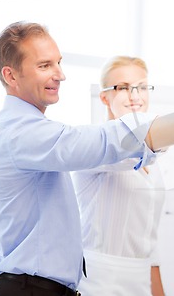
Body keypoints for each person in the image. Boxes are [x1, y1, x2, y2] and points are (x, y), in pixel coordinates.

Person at [0, 21, 174, 296]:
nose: (60, 74)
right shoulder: (21, 134)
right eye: (44, 65)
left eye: (59, 62)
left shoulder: (28, 131)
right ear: (11, 76)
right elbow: (107, 142)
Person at [71, 56, 166, 295]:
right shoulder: (93, 146)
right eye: (123, 88)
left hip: (141, 280)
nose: (135, 95)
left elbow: (149, 243)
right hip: (99, 281)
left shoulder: (152, 163)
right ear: (105, 97)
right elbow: (125, 152)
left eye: (142, 87)